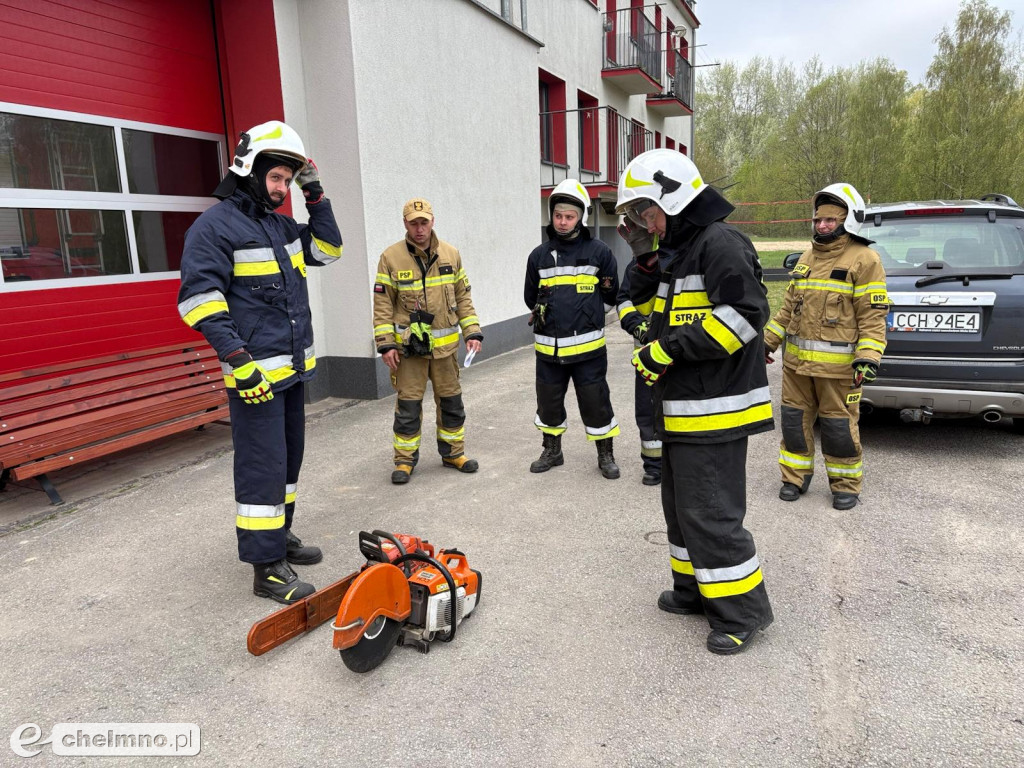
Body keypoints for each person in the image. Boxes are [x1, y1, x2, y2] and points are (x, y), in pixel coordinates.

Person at [615, 149, 774, 655]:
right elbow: (654, 309)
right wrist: (643, 252)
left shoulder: (721, 243)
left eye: (646, 211)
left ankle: (741, 613)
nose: (645, 222)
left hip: (716, 410)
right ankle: (694, 591)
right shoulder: (682, 249)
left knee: (710, 513)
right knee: (681, 512)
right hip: (684, 409)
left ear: (672, 195)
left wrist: (670, 349)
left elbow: (746, 316)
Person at [177, 120, 342, 604]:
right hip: (253, 377)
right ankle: (265, 567)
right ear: (249, 169)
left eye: (289, 181)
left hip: (289, 373)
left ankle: (280, 536)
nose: (282, 188)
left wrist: (317, 197)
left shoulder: (279, 224)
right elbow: (200, 301)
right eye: (277, 178)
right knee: (262, 469)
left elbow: (329, 251)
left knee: (288, 463)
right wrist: (238, 361)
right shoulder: (213, 228)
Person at [763, 183, 888, 511]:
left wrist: (869, 356)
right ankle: (794, 477)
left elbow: (873, 317)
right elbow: (789, 309)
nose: (822, 226)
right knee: (793, 423)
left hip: (838, 370)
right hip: (796, 367)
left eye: (830, 220)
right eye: (818, 220)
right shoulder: (806, 257)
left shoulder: (865, 260)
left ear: (849, 221)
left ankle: (845, 485)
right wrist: (768, 342)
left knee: (838, 428)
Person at [372, 198, 483, 485]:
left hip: (445, 351)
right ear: (405, 223)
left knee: (451, 404)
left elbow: (463, 298)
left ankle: (453, 454)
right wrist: (386, 344)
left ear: (432, 221)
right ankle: (405, 461)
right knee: (408, 408)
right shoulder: (390, 257)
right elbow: (382, 305)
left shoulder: (451, 254)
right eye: (413, 223)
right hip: (409, 352)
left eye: (424, 222)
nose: (419, 228)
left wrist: (472, 332)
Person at [524, 179, 621, 479]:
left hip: (589, 352)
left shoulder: (599, 252)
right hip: (549, 353)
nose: (563, 221)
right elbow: (530, 297)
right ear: (551, 216)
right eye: (558, 215)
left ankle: (605, 455)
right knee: (549, 404)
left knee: (596, 403)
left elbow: (611, 294)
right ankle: (553, 451)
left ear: (582, 217)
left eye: (569, 216)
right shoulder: (538, 257)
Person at [617, 261, 662, 485]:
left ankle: (683, 464)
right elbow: (624, 301)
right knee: (647, 410)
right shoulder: (637, 264)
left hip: (682, 352)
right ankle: (654, 465)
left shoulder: (689, 254)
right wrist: (638, 326)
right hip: (646, 356)